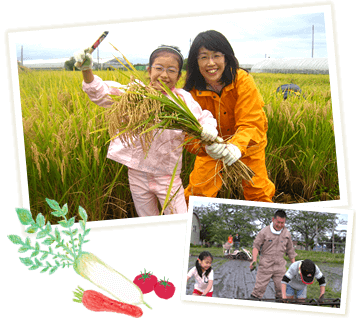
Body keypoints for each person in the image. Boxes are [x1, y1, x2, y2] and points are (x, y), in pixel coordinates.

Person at [74, 45, 218, 216]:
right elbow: (101, 93)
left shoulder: (182, 100)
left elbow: (203, 118)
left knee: (180, 218)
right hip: (137, 174)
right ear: (149, 70)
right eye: (159, 68)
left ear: (179, 76)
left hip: (167, 178)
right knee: (147, 219)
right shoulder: (135, 93)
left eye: (171, 70)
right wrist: (86, 70)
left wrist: (208, 129)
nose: (164, 75)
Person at [183, 30, 275, 204]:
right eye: (203, 57)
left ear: (226, 57)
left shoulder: (242, 80)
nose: (211, 63)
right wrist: (205, 147)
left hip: (247, 146)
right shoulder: (191, 92)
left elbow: (252, 123)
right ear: (196, 61)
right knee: (197, 195)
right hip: (211, 148)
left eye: (216, 55)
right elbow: (187, 134)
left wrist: (236, 147)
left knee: (259, 193)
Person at [249, 210, 297, 300]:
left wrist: (294, 266)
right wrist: (254, 260)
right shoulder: (264, 232)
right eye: (278, 222)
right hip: (266, 264)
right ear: (273, 219)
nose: (279, 225)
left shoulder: (287, 233)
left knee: (282, 290)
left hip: (280, 265)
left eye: (282, 223)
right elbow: (256, 246)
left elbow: (290, 250)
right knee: (259, 289)